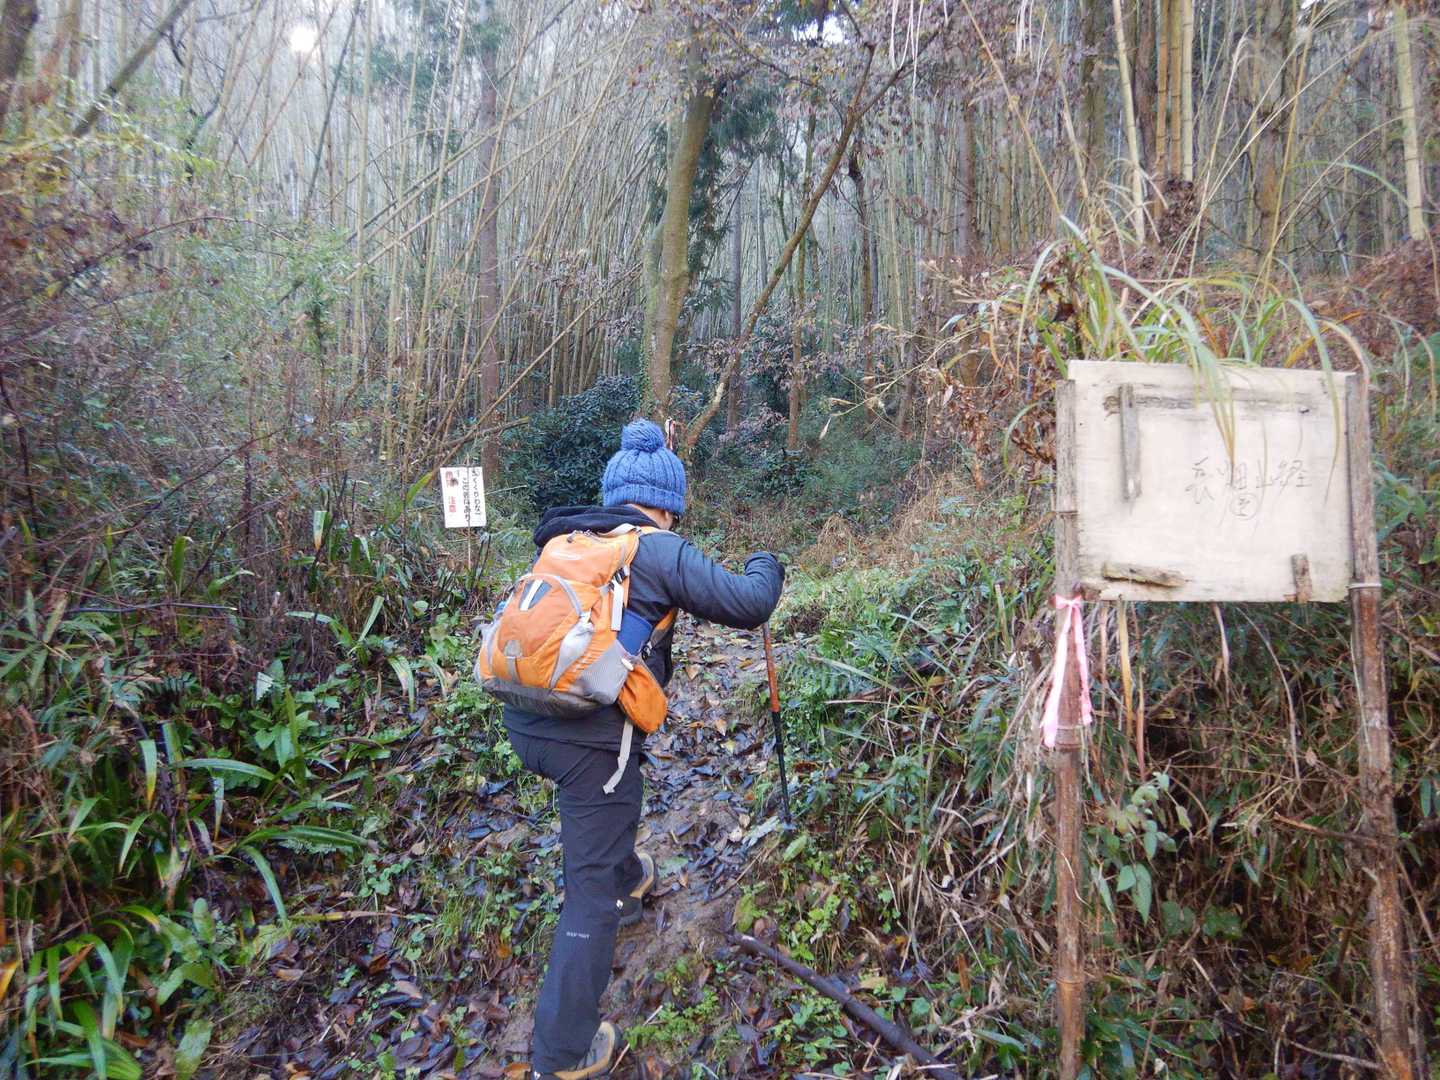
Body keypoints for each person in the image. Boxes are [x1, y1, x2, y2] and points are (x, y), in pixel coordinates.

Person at [504, 419, 784, 1080]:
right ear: (668, 503)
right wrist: (766, 561)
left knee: (606, 822)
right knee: (589, 892)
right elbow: (750, 602)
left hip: (525, 718)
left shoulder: (571, 540)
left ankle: (629, 877)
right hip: (587, 739)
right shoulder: (656, 549)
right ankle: (562, 1055)